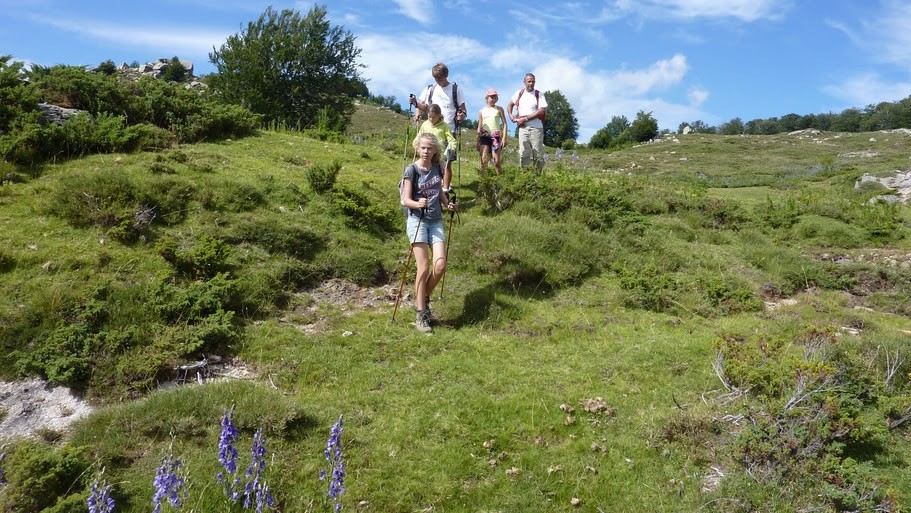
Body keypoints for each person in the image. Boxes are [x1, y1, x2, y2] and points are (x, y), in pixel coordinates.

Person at [400, 133, 457, 333]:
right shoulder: (411, 170)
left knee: (440, 266)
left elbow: (439, 191)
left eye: (429, 148)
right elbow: (406, 200)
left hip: (436, 220)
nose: (426, 151)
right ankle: (421, 314)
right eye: (423, 148)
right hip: (417, 220)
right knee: (423, 267)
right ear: (417, 147)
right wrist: (418, 203)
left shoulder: (437, 169)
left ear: (435, 151)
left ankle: (422, 297)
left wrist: (447, 203)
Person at [409, 63, 467, 193]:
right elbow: (423, 106)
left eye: (440, 78)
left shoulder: (456, 89)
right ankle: (428, 187)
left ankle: (445, 189)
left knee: (446, 162)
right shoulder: (430, 89)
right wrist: (416, 109)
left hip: (448, 128)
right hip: (430, 129)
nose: (438, 81)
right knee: (428, 160)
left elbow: (463, 110)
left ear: (446, 75)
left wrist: (460, 116)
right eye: (436, 78)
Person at [506, 73, 548, 170]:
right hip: (523, 128)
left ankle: (539, 178)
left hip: (536, 128)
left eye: (533, 81)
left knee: (537, 154)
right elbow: (510, 105)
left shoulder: (539, 94)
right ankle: (525, 177)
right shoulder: (519, 93)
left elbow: (541, 110)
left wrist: (525, 119)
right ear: (524, 82)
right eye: (529, 81)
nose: (531, 83)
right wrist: (510, 115)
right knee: (524, 153)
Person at [477, 88, 508, 176]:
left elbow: (505, 123)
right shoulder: (481, 111)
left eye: (495, 97)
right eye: (491, 97)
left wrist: (504, 138)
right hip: (484, 135)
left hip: (496, 136)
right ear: (487, 97)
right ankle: (483, 182)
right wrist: (477, 141)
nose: (493, 99)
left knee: (497, 161)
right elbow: (479, 127)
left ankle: (500, 180)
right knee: (484, 160)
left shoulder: (499, 109)